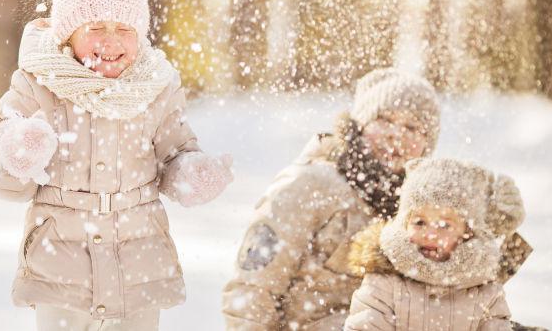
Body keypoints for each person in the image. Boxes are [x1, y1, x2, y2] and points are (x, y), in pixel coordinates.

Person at [0, 0, 233, 331]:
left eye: (125, 29)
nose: (111, 41)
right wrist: (19, 155)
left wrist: (190, 174)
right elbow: (1, 180)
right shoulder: (38, 82)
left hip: (138, 263)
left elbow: (174, 154)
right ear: (68, 33)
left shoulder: (156, 86)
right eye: (96, 26)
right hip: (61, 265)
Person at [222, 68, 440, 330]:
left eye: (412, 127)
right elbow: (252, 288)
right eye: (384, 119)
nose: (396, 134)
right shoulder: (311, 184)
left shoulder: (420, 210)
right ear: (360, 125)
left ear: (427, 143)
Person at [344, 157, 525, 331]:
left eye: (445, 225)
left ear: (467, 233)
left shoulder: (485, 292)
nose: (430, 235)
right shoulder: (383, 283)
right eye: (419, 222)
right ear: (404, 225)